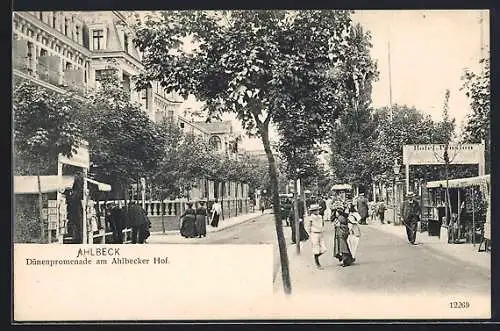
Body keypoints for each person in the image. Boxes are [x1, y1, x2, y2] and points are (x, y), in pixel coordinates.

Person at [332, 203, 355, 267]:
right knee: (343, 245)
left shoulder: (340, 217)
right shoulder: (342, 217)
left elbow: (342, 224)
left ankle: (346, 260)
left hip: (341, 232)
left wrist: (337, 225)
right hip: (342, 232)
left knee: (343, 246)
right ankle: (347, 259)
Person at [305, 204, 327, 269]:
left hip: (320, 233)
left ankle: (316, 257)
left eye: (318, 210)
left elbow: (322, 224)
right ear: (313, 211)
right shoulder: (310, 218)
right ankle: (317, 263)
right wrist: (310, 234)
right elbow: (308, 227)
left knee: (323, 249)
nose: (318, 211)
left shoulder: (320, 217)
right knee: (316, 248)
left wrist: (322, 229)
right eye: (316, 210)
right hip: (314, 234)